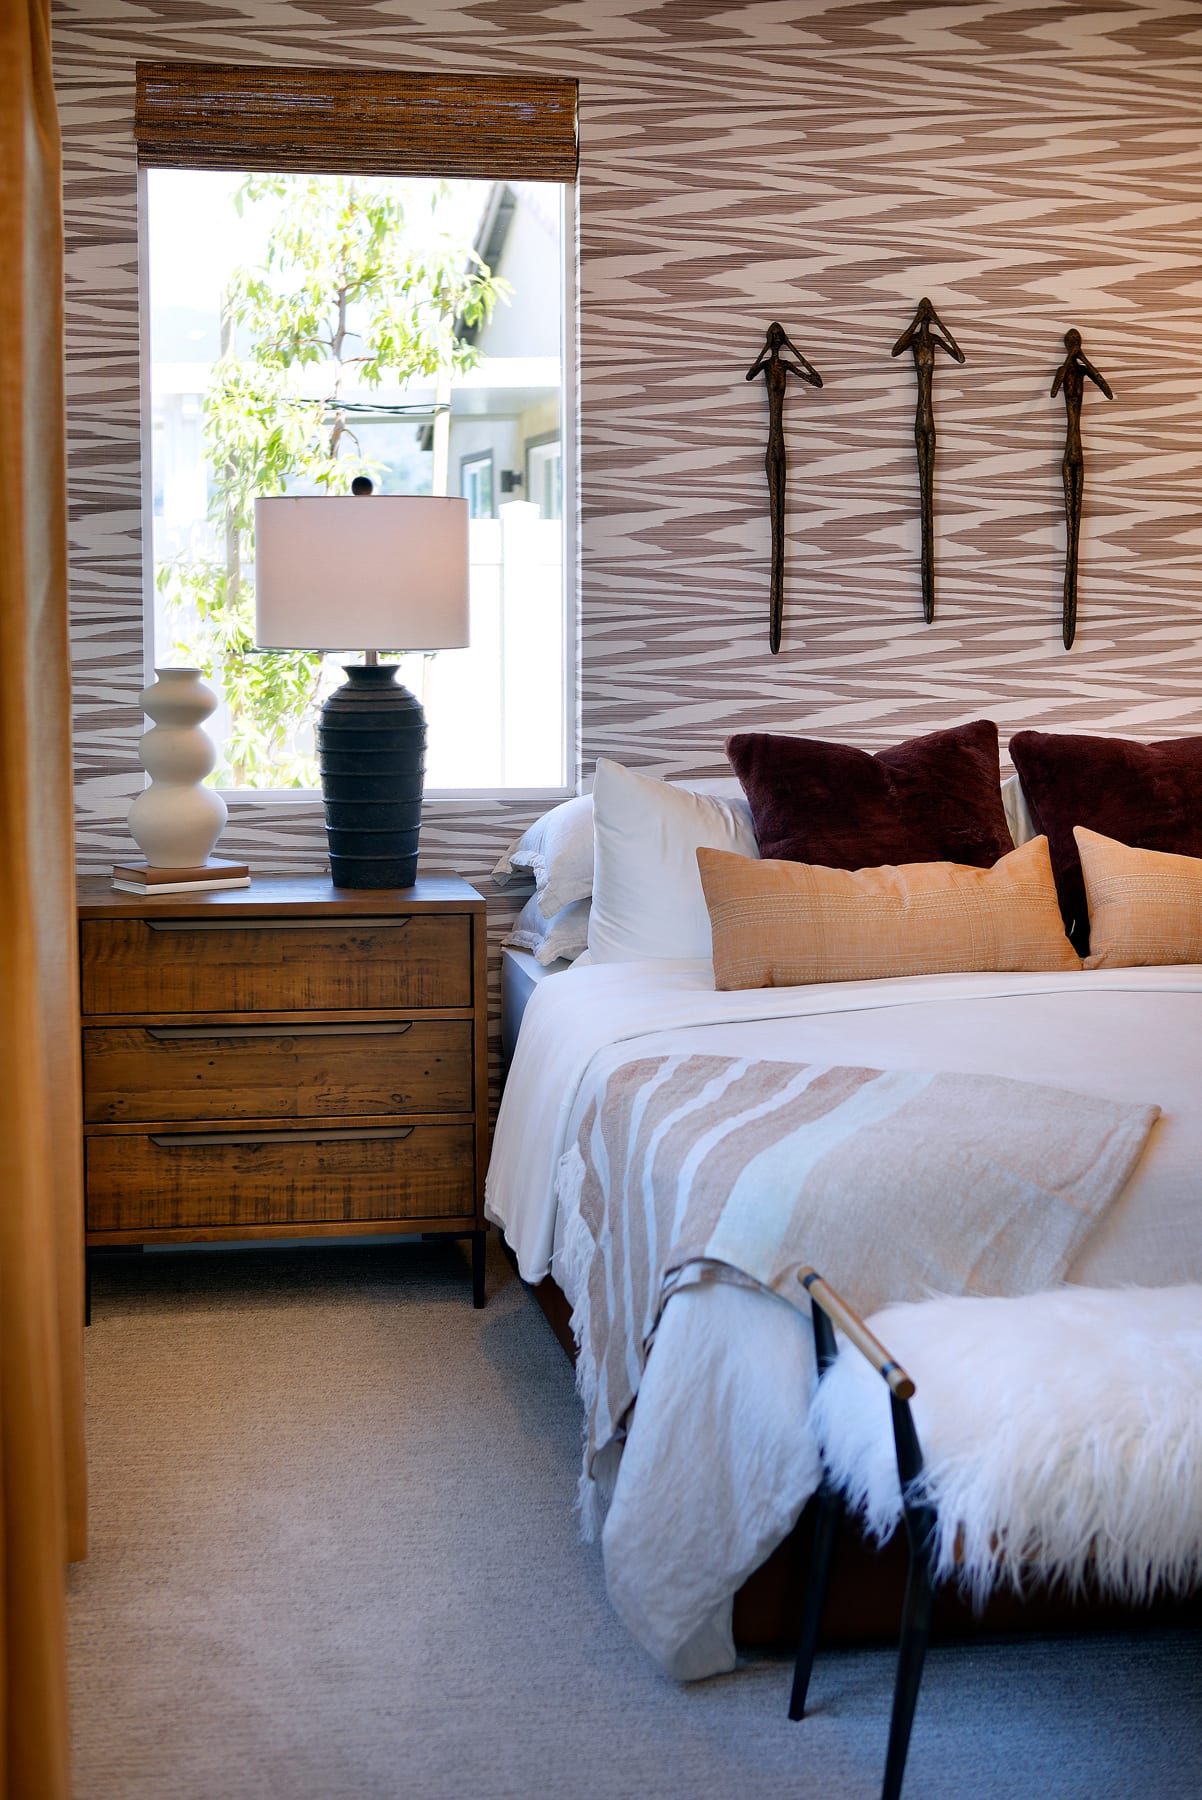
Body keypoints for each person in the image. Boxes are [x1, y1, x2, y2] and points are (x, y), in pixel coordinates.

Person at [746, 322, 822, 654]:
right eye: (774, 338)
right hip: (770, 443)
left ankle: (777, 623)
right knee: (776, 517)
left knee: (781, 525)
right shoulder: (766, 364)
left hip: (783, 445)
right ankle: (774, 626)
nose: (777, 341)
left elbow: (816, 380)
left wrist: (794, 350)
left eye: (779, 338)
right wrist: (766, 351)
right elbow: (749, 375)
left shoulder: (787, 364)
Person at [891, 297, 965, 623]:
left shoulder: (934, 339)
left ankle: (929, 597)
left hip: (932, 423)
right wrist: (915, 322)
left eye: (926, 312)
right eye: (923, 312)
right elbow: (896, 349)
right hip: (916, 423)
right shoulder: (914, 341)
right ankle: (926, 595)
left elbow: (959, 355)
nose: (924, 316)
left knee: (929, 495)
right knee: (923, 496)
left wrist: (938, 322)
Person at [1051, 328, 1113, 648]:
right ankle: (1067, 608)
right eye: (1071, 343)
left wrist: (1084, 361)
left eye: (1076, 343)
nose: (1074, 346)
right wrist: (1069, 361)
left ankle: (1071, 609)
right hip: (1067, 453)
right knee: (1070, 525)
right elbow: (1052, 390)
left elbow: (1107, 390)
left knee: (1075, 529)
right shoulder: (1066, 370)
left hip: (1079, 454)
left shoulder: (1082, 366)